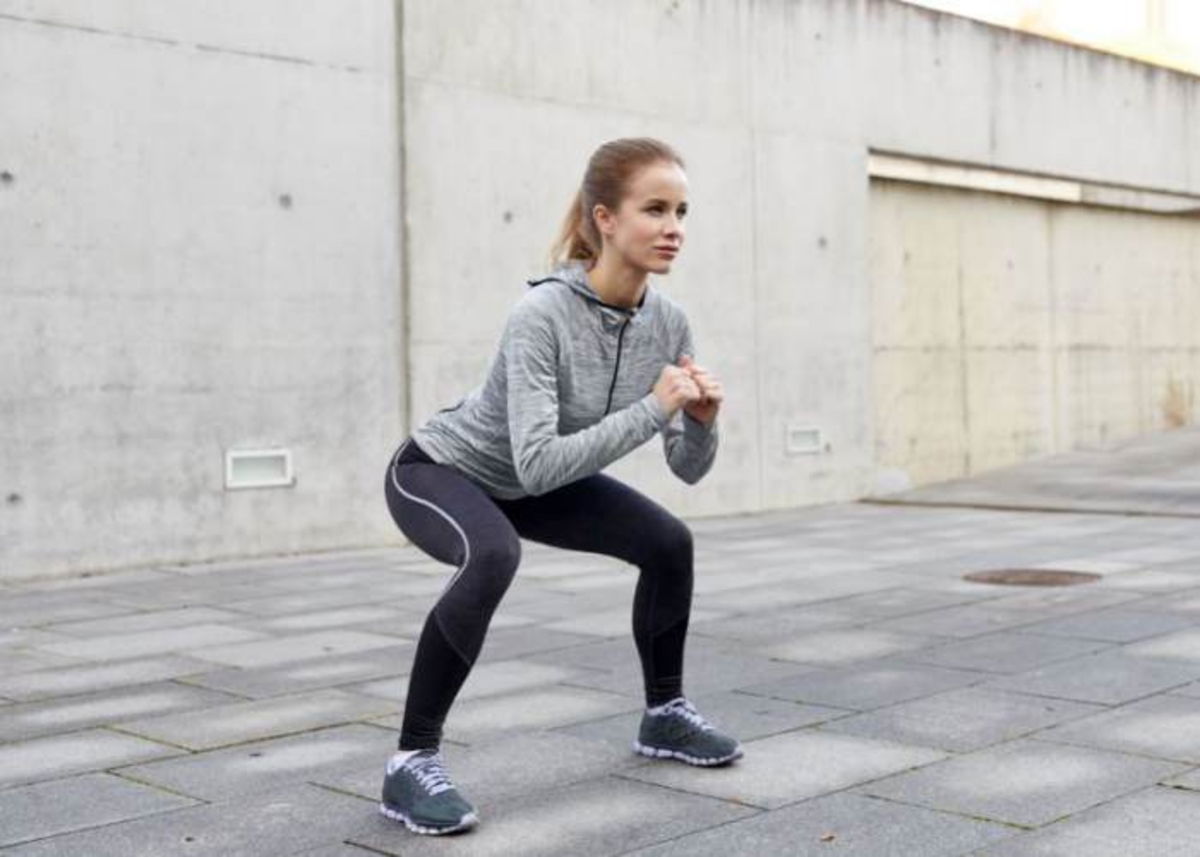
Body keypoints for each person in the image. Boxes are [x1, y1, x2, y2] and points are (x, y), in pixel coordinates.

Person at [379, 137, 742, 836]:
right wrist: (652, 408)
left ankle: (664, 712)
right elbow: (539, 463)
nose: (675, 228)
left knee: (669, 542)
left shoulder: (668, 323)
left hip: (536, 478)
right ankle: (410, 761)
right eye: (655, 209)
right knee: (491, 554)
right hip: (440, 470)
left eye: (683, 211)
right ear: (605, 219)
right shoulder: (540, 315)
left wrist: (699, 422)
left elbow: (687, 468)